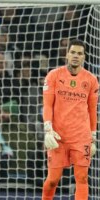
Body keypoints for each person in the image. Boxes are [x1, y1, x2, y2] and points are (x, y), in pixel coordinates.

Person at [42, 39, 99, 200]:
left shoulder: (91, 80)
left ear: (84, 57)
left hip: (81, 137)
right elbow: (47, 105)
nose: (76, 56)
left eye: (79, 53)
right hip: (58, 136)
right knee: (53, 180)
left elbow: (92, 110)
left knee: (82, 178)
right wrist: (48, 129)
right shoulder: (53, 75)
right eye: (73, 52)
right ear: (67, 54)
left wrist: (93, 137)